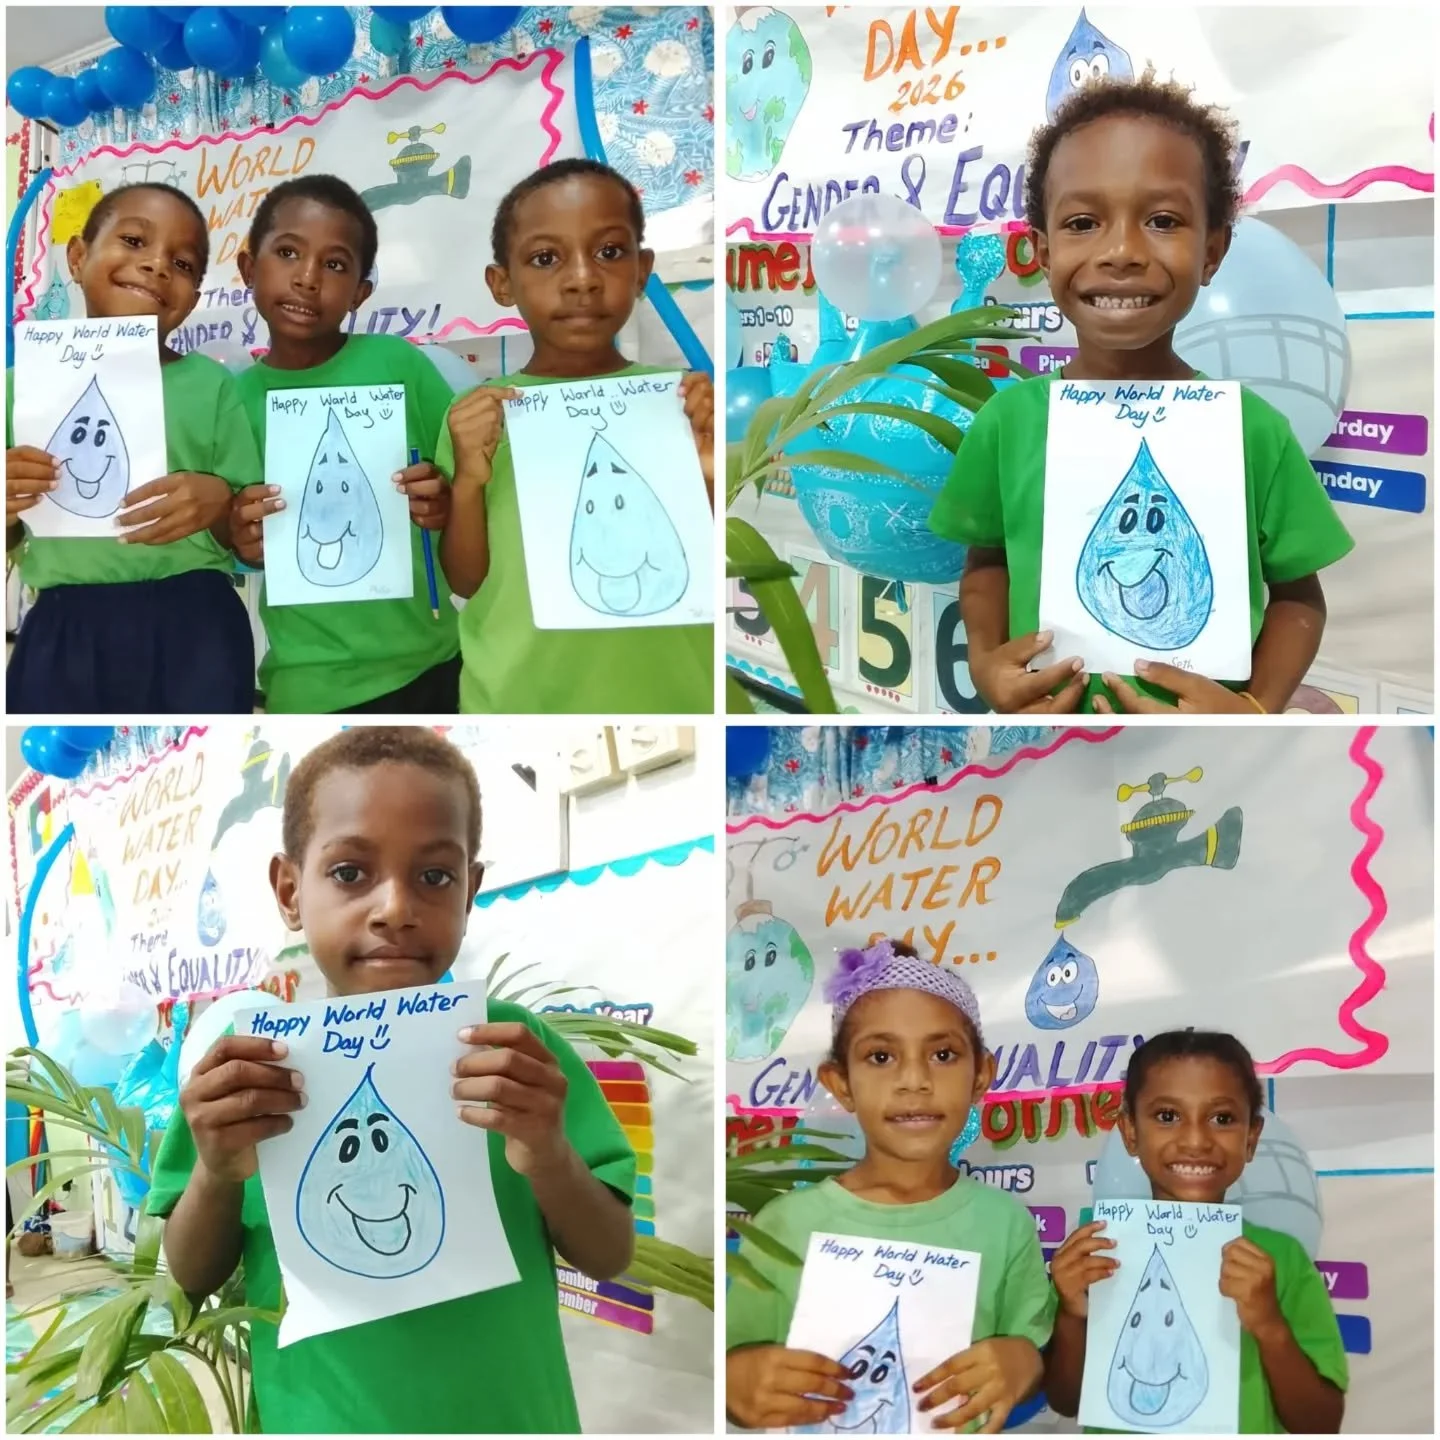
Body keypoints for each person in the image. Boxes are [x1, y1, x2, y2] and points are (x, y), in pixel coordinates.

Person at [146, 727, 637, 1433]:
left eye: (435, 876)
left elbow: (610, 1256)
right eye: (350, 873)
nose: (395, 909)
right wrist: (217, 1174)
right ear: (290, 889)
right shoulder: (249, 1071)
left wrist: (549, 1153)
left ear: (471, 889)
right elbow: (192, 1272)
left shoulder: (519, 1055)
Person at [929, 69, 1353, 716]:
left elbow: (1299, 598)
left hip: (1204, 760)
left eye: (1161, 220)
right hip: (1052, 745)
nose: (1121, 251)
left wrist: (1256, 708)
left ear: (1212, 250)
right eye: (1081, 223)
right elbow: (986, 563)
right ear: (1042, 253)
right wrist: (987, 661)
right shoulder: (1009, 421)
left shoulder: (1251, 430)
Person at [726, 938, 1052, 1433]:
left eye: (943, 1054)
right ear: (841, 1084)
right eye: (881, 1058)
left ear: (980, 1075)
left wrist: (1025, 1364)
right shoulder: (782, 1226)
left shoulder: (1005, 1224)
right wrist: (733, 1383)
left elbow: (1034, 1359)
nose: (914, 1080)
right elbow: (736, 1378)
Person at [435, 158, 713, 713]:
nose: (583, 277)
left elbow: (707, 561)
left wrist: (706, 472)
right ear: (502, 283)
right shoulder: (477, 417)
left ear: (642, 269)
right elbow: (466, 581)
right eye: (545, 259)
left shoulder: (686, 404)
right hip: (518, 703)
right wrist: (468, 481)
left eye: (609, 252)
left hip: (673, 699)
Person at [6, 182, 259, 713]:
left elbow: (246, 530)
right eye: (133, 241)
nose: (157, 266)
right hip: (63, 626)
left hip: (197, 623)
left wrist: (220, 500)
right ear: (77, 257)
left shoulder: (212, 387)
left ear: (195, 292)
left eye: (183, 263)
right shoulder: (18, 386)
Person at [228, 176, 462, 713]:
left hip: (431, 660)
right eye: (287, 253)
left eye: (334, 265)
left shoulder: (398, 364)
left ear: (360, 291)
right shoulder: (235, 400)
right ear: (248, 269)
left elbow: (468, 484)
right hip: (307, 683)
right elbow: (237, 546)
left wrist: (445, 497)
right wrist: (239, 534)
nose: (308, 279)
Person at [1045, 1029, 1346, 1432]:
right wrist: (1070, 1314)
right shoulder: (1097, 1252)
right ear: (1131, 1132)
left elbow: (1321, 1424)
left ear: (1251, 1138)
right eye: (1168, 1116)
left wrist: (1269, 1324)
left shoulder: (1281, 1259)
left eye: (1221, 1118)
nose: (1195, 1140)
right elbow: (1064, 1400)